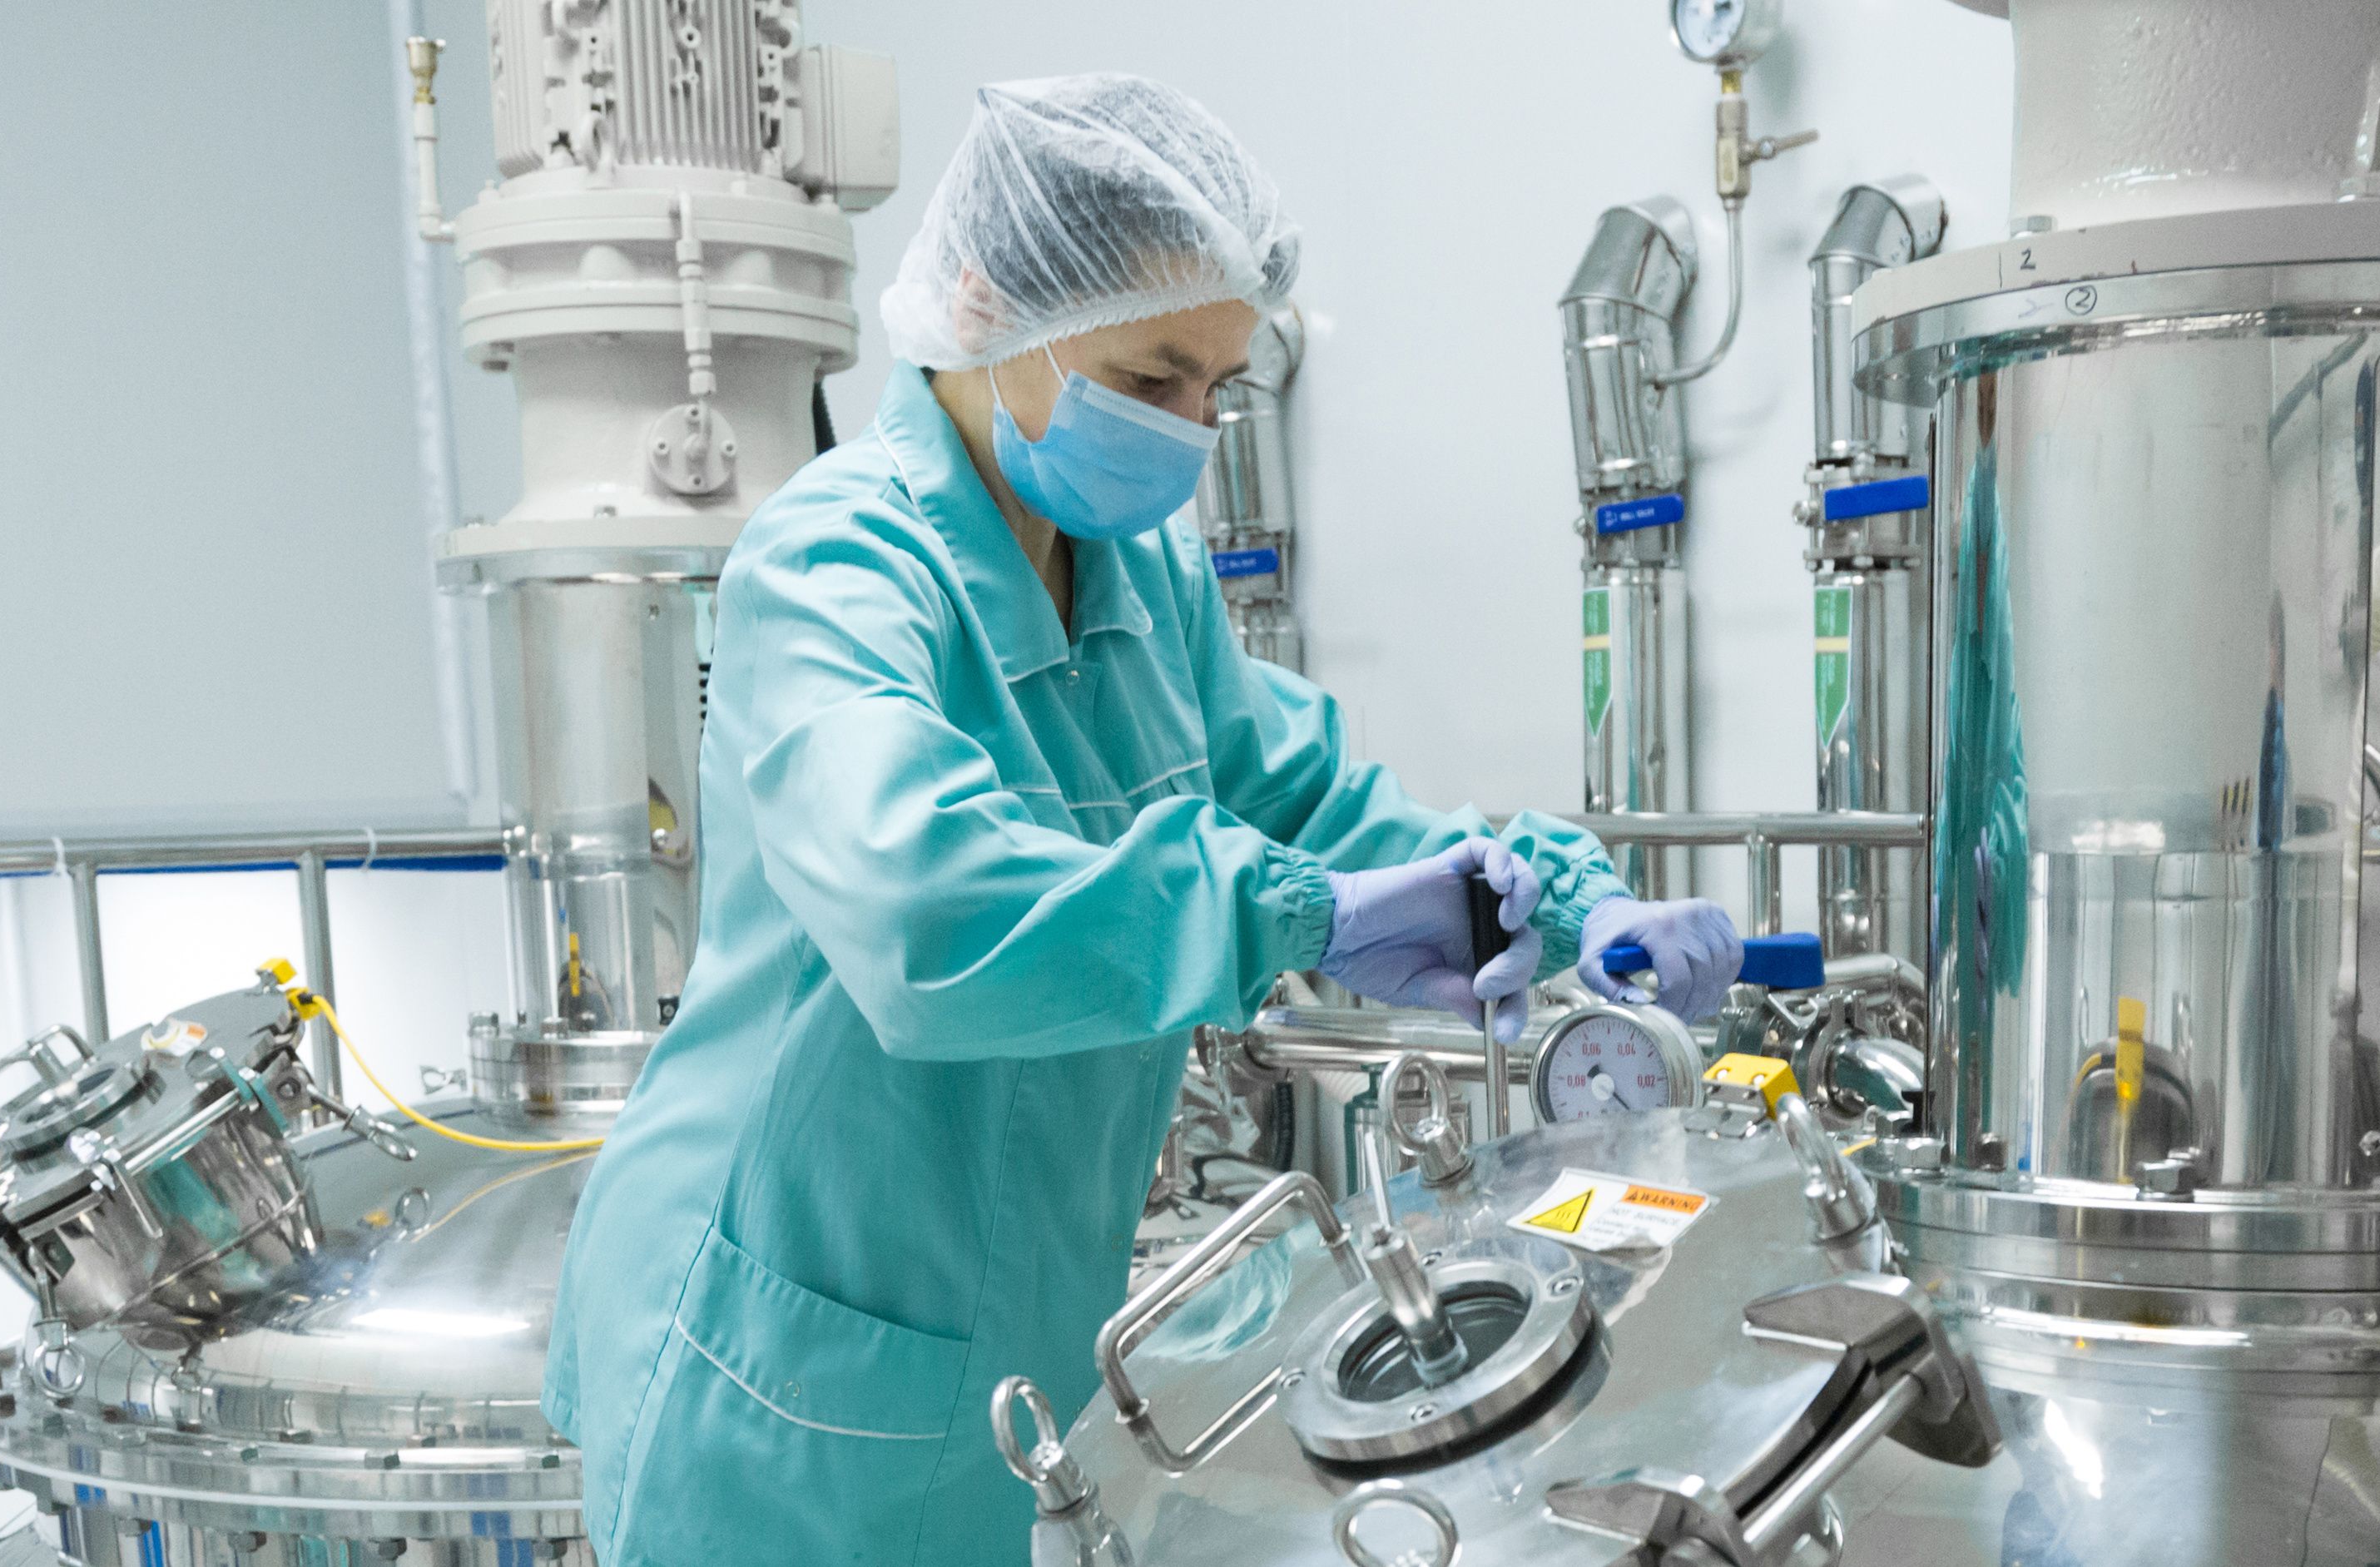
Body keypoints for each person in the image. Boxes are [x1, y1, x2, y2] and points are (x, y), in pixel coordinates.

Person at [543, 74, 1744, 1566]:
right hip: (783, 1341)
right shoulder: (831, 570)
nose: (1190, 429)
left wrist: (1570, 905)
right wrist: (1282, 916)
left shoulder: (1137, 580)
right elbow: (924, 911)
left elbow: (1312, 796)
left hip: (1004, 1317)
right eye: (1155, 374)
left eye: (1215, 388)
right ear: (991, 306)